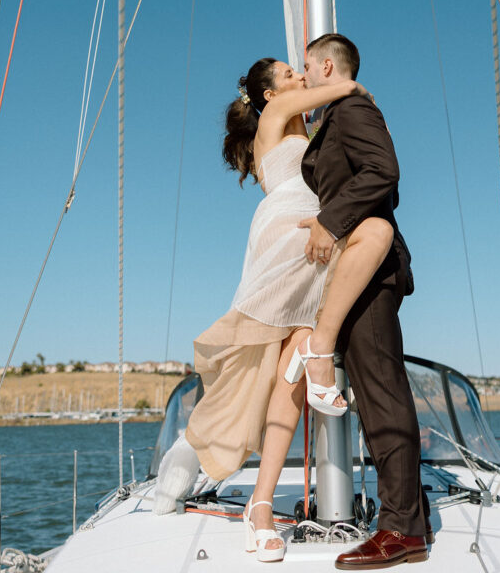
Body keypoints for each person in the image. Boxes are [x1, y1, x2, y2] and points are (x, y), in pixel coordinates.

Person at [152, 57, 394, 563]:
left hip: (321, 234)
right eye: (287, 73)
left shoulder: (308, 131)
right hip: (287, 233)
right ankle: (199, 444)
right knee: (254, 361)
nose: (296, 77)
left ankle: (259, 506)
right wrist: (347, 84)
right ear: (267, 94)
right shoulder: (273, 115)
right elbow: (344, 87)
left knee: (289, 369)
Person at [300, 33, 431, 569]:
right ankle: (406, 510)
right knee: (377, 390)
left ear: (327, 65)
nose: (304, 76)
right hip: (355, 266)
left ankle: (402, 529)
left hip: (372, 269)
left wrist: (331, 221)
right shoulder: (335, 113)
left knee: (382, 394)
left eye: (307, 67)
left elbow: (385, 172)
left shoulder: (351, 108)